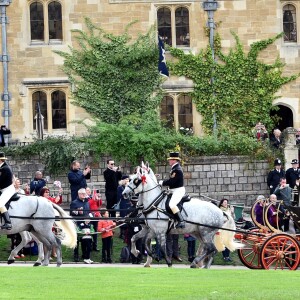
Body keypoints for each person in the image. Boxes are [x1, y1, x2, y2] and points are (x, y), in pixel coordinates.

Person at [159, 151, 185, 228]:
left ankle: (181, 221)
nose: (169, 161)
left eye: (170, 160)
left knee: (172, 204)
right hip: (173, 190)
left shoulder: (177, 170)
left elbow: (172, 181)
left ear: (174, 160)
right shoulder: (174, 168)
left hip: (178, 190)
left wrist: (162, 182)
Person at [70, 188, 91, 262]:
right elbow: (71, 212)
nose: (84, 195)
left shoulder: (87, 202)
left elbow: (88, 212)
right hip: (77, 223)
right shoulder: (74, 202)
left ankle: (84, 254)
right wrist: (78, 212)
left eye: (85, 193)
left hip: (85, 224)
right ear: (79, 194)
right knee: (76, 240)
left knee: (85, 239)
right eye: (82, 193)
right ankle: (76, 255)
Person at [0, 152, 15, 230]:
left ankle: (8, 223)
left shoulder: (4, 169)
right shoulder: (3, 167)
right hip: (4, 189)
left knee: (0, 203)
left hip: (8, 190)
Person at [86, 187, 102, 251]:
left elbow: (99, 204)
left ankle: (95, 246)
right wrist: (93, 199)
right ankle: (89, 245)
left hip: (95, 216)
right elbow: (88, 205)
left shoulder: (93, 197)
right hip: (89, 216)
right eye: (87, 190)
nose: (89, 191)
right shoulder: (86, 198)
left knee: (95, 231)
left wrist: (99, 199)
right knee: (90, 231)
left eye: (89, 190)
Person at [117, 175, 131, 239]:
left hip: (129, 202)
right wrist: (125, 188)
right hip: (123, 203)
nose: (127, 180)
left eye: (128, 179)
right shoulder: (120, 187)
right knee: (123, 216)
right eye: (126, 179)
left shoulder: (129, 187)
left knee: (128, 215)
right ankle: (122, 232)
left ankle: (127, 231)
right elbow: (121, 196)